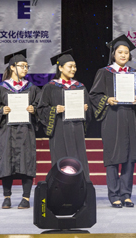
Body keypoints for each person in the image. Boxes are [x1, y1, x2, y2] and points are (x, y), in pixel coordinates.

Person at [90, 35, 136, 208]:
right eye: (120, 52)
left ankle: (126, 194)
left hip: (129, 117)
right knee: (112, 157)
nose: (123, 55)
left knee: (129, 158)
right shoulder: (104, 72)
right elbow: (94, 95)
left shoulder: (133, 73)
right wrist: (107, 100)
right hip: (111, 117)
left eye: (126, 52)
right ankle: (114, 195)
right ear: (113, 54)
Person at [0, 50, 40, 209]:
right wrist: (1, 111)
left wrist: (34, 109)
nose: (25, 69)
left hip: (25, 131)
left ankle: (26, 198)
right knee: (6, 162)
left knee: (27, 162)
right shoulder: (0, 88)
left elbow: (41, 106)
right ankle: (7, 197)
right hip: (6, 131)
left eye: (27, 66)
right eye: (22, 66)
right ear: (12, 67)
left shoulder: (32, 88)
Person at [37, 49, 91, 181]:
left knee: (78, 159)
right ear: (60, 68)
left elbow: (89, 113)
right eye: (70, 66)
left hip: (76, 129)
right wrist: (54, 110)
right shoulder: (50, 87)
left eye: (75, 66)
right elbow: (41, 109)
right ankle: (60, 188)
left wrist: (85, 109)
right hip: (59, 129)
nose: (73, 69)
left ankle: (80, 188)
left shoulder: (80, 87)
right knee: (61, 159)